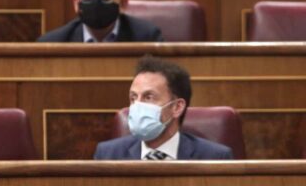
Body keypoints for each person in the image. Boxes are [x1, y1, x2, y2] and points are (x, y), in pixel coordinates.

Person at [94, 55, 233, 160]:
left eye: (149, 97)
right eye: (133, 98)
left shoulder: (214, 157)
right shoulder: (107, 155)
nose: (137, 105)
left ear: (177, 107)